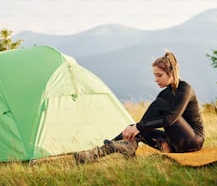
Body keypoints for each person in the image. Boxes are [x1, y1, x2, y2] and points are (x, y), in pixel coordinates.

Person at [74, 50, 205, 163]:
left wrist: (138, 127)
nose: (156, 79)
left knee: (142, 124)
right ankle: (94, 154)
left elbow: (170, 120)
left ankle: (129, 144)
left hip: (192, 142)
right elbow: (146, 124)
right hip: (174, 142)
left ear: (172, 73)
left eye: (160, 75)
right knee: (138, 129)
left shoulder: (185, 89)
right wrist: (134, 129)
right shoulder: (164, 93)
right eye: (154, 75)